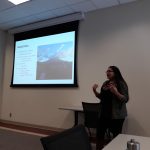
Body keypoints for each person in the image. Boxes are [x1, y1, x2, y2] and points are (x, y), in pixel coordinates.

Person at [92, 66, 129, 150]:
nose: (107, 72)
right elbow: (102, 97)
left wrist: (116, 92)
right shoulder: (105, 83)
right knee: (99, 135)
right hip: (103, 114)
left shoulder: (121, 83)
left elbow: (125, 99)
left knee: (116, 136)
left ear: (115, 73)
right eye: (106, 71)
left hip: (116, 116)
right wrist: (94, 91)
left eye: (110, 71)